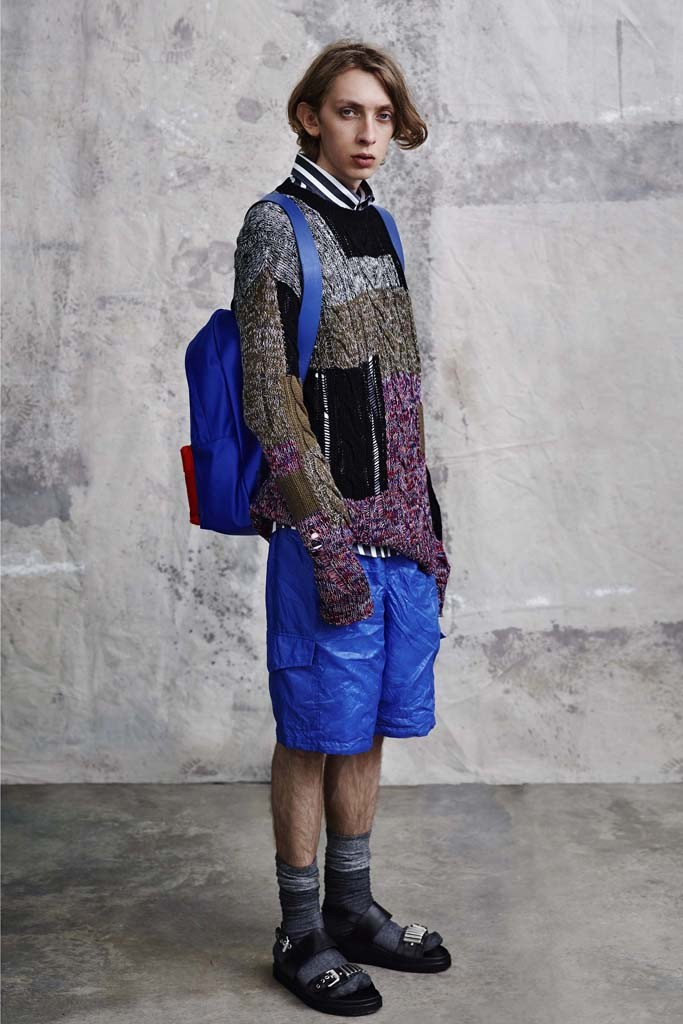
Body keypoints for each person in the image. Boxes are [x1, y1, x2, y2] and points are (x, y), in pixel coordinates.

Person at [232, 38, 452, 1016]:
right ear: (308, 117)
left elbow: (399, 394)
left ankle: (352, 910)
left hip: (398, 540)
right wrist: (324, 544)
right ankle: (298, 932)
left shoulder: (380, 226)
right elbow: (269, 401)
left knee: (365, 732)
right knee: (313, 732)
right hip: (323, 538)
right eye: (348, 111)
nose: (368, 132)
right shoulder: (274, 226)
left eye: (381, 115)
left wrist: (428, 528)